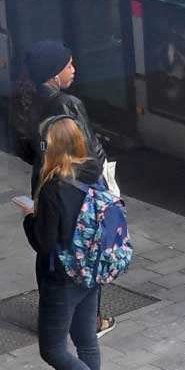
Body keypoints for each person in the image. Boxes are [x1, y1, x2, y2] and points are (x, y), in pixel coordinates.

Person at [14, 40, 116, 336]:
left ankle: (53, 314)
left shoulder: (26, 99)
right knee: (83, 246)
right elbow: (90, 157)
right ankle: (88, 321)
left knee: (49, 251)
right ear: (53, 74)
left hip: (44, 181)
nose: (74, 69)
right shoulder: (68, 104)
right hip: (75, 187)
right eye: (68, 65)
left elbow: (24, 147)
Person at [17, 116, 103, 370]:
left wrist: (30, 218)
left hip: (63, 276)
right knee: (86, 342)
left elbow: (44, 244)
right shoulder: (95, 173)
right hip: (92, 268)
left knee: (53, 350)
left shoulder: (53, 188)